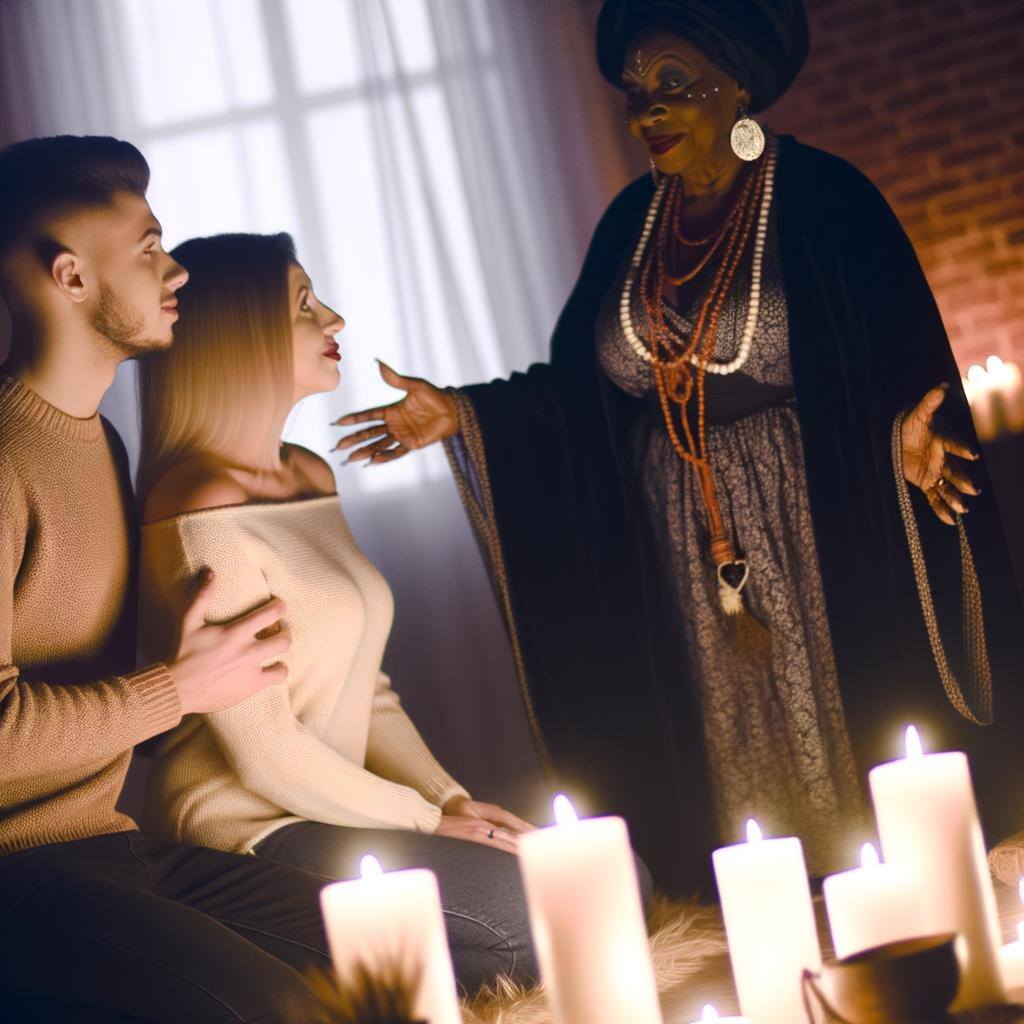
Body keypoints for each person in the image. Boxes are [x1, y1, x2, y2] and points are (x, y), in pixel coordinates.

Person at [334, 0, 1024, 895]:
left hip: (814, 513)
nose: (646, 113)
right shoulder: (633, 225)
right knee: (731, 752)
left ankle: (893, 904)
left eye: (671, 86)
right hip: (683, 544)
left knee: (841, 718)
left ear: (738, 81)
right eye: (634, 94)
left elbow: (890, 359)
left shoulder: (824, 199)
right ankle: (775, 923)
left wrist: (899, 438)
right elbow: (579, 393)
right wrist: (465, 414)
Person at [136, 232, 572, 994]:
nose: (333, 319)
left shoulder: (307, 473)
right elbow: (264, 749)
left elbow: (366, 690)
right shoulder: (196, 504)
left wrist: (453, 801)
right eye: (305, 305)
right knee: (528, 919)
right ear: (239, 334)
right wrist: (425, 823)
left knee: (602, 872)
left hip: (343, 808)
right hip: (253, 828)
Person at [0, 136, 350, 1023]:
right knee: (288, 1009)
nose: (177, 271)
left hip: (117, 843)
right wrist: (178, 687)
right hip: (20, 875)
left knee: (387, 943)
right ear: (70, 278)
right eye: (150, 246)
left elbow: (120, 686)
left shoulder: (99, 441)